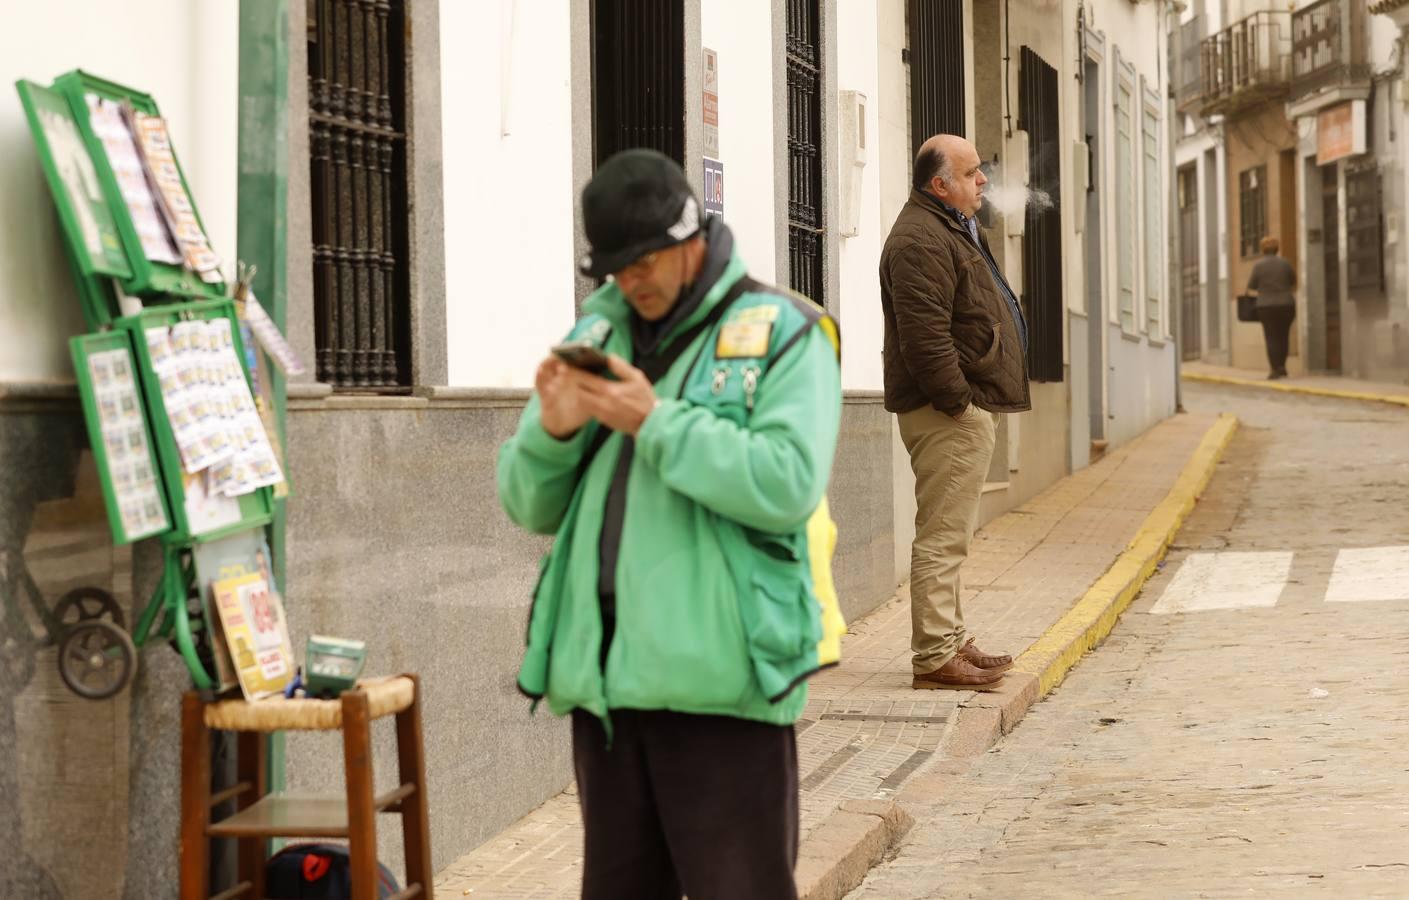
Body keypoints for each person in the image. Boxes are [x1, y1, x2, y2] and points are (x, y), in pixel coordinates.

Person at [497, 148, 843, 900]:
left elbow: (786, 483)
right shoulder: (599, 335)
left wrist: (655, 424)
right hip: (610, 692)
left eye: (646, 260)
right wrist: (551, 435)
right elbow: (529, 506)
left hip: (722, 687)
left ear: (691, 234)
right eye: (616, 268)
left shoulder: (786, 331)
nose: (632, 280)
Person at [879, 134, 1032, 692]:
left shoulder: (947, 226)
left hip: (954, 408)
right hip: (945, 412)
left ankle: (950, 637)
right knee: (943, 536)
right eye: (972, 173)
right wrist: (959, 404)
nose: (983, 181)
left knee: (951, 534)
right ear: (940, 184)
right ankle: (936, 656)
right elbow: (925, 339)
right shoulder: (921, 239)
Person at [1245, 236, 1296, 379]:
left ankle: (1274, 369)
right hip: (1286, 304)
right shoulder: (1285, 263)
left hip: (1266, 306)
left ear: (1262, 249)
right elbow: (1293, 280)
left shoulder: (1259, 266)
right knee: (1284, 336)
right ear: (1277, 248)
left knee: (1271, 337)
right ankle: (1282, 366)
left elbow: (1251, 285)